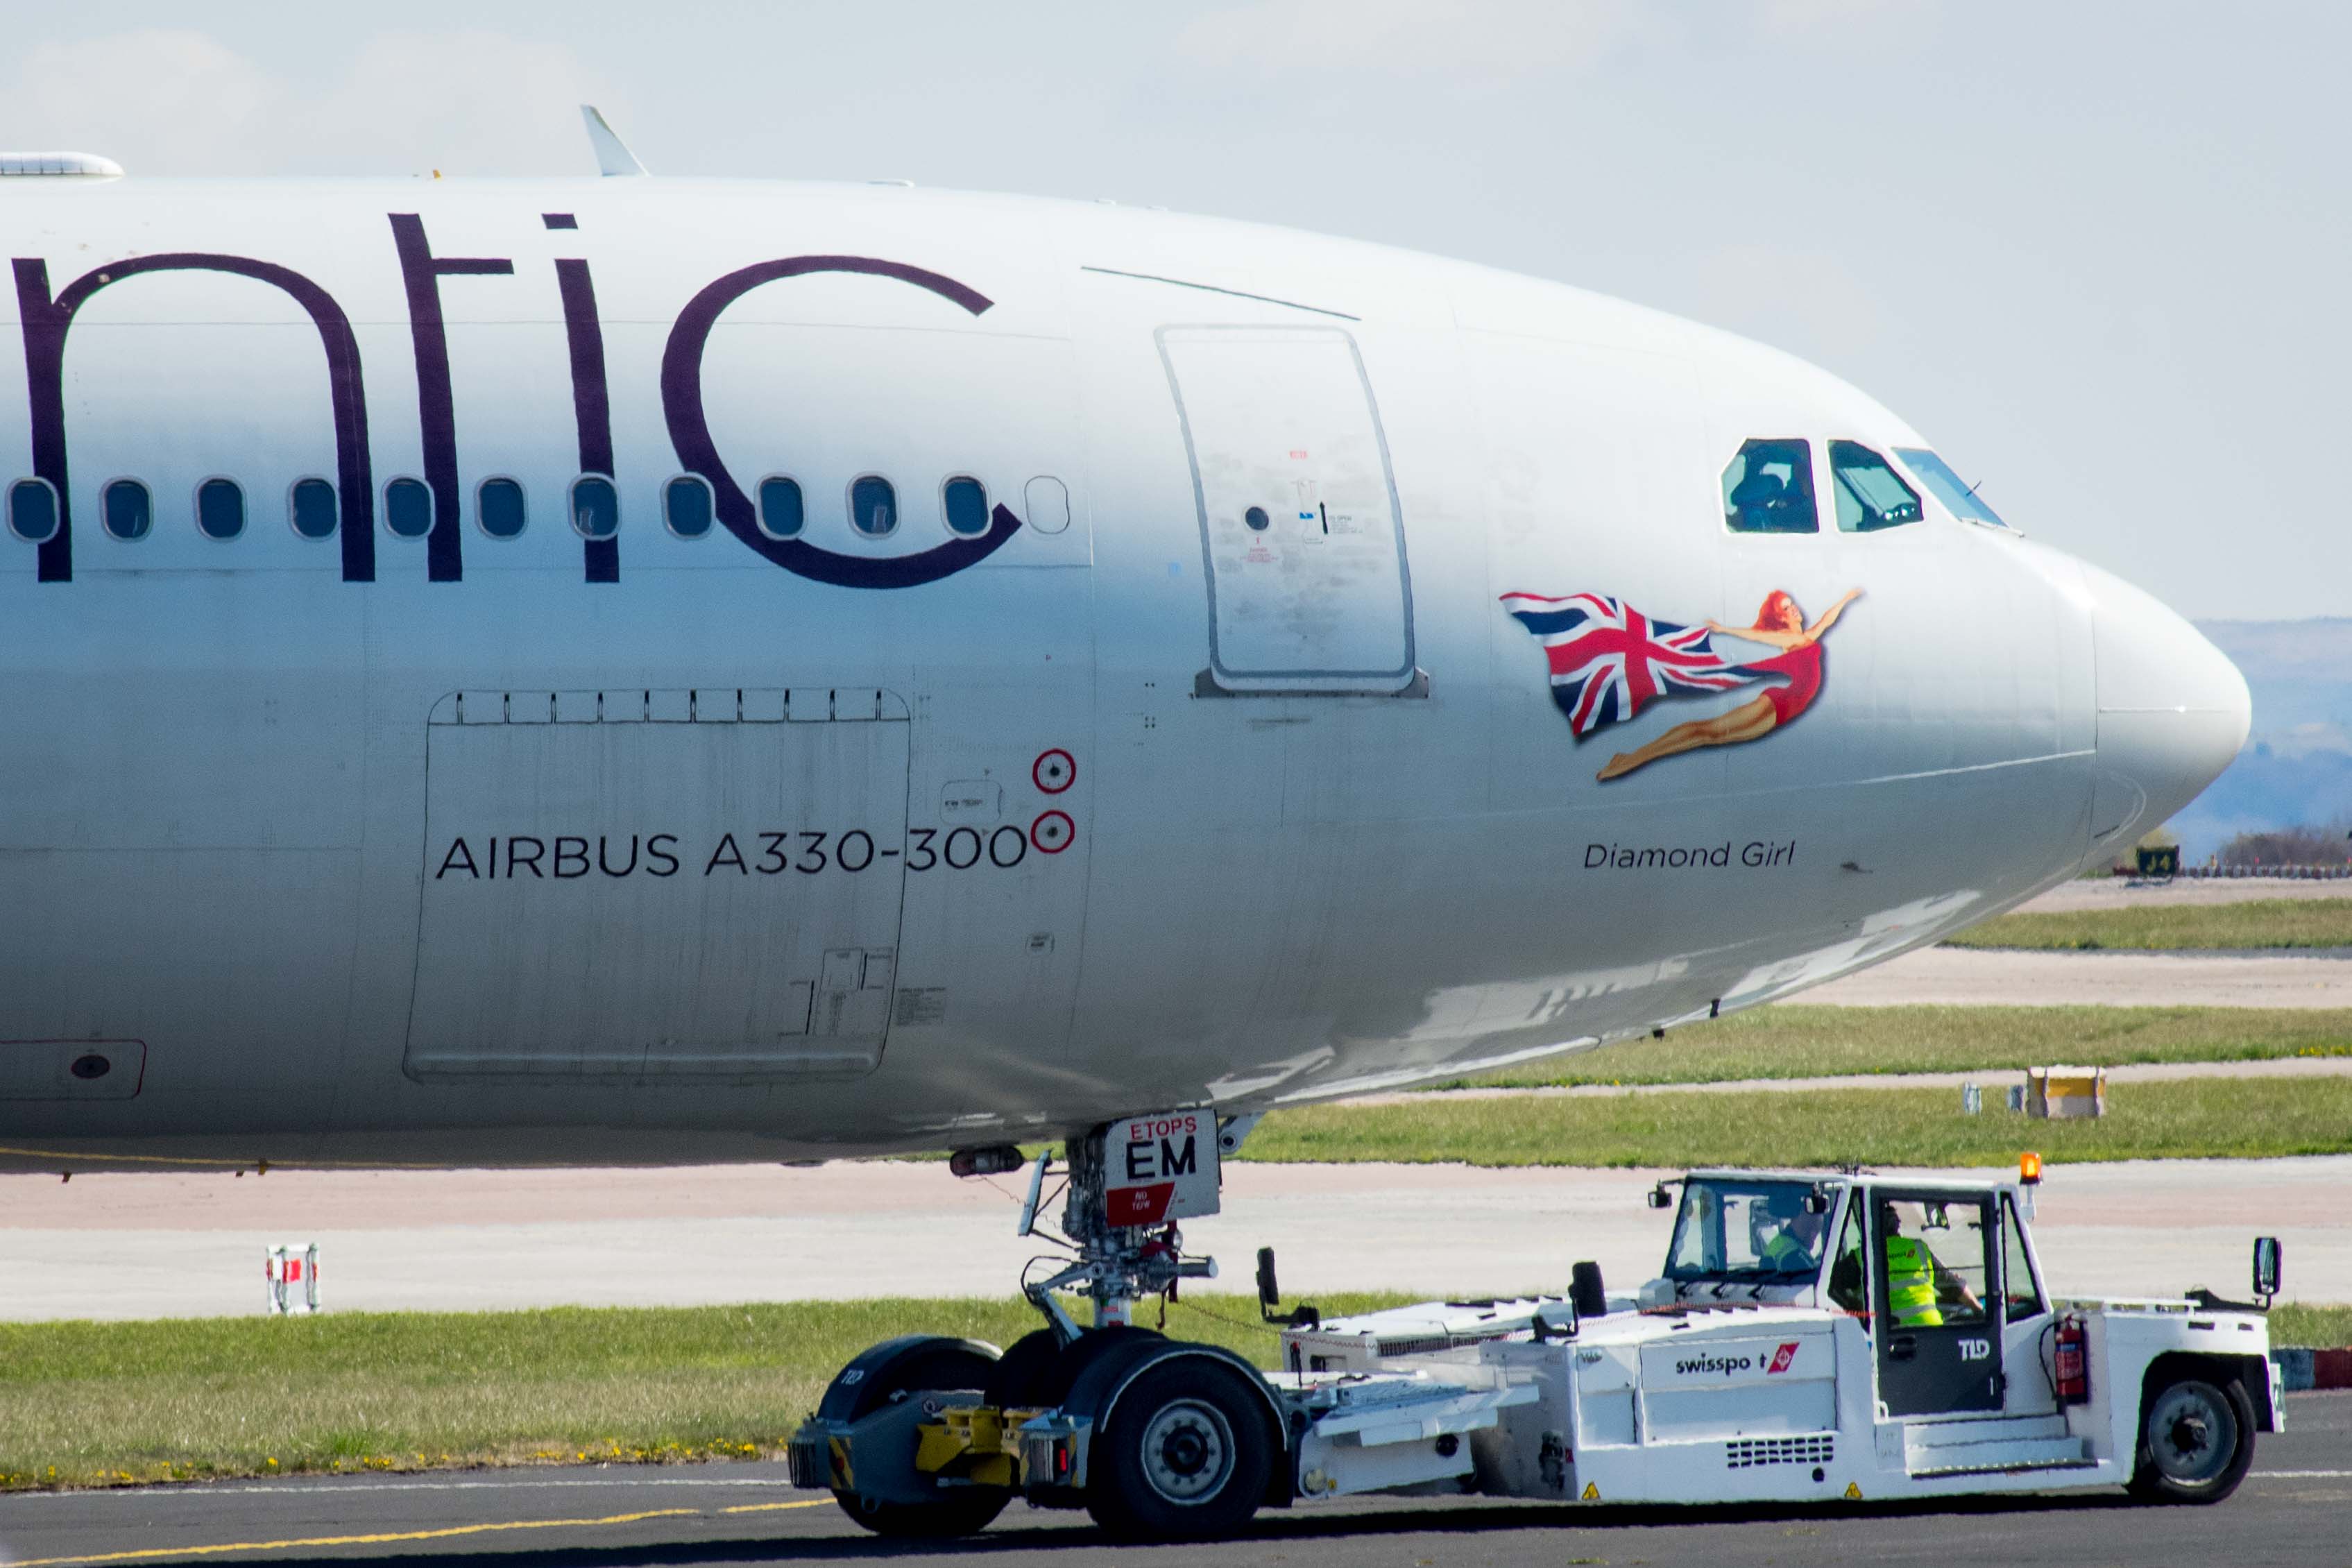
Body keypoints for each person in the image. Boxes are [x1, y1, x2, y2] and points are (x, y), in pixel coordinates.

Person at [1596, 587, 1861, 781]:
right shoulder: (1786, 640)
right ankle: (1632, 759)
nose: (1793, 608)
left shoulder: (1806, 637)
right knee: (1705, 731)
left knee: (1706, 736)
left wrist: (1847, 598)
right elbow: (1756, 637)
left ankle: (1631, 759)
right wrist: (1726, 630)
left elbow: (1828, 619)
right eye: (1785, 607)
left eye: (1791, 604)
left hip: (1785, 710)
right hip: (1777, 703)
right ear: (1781, 619)